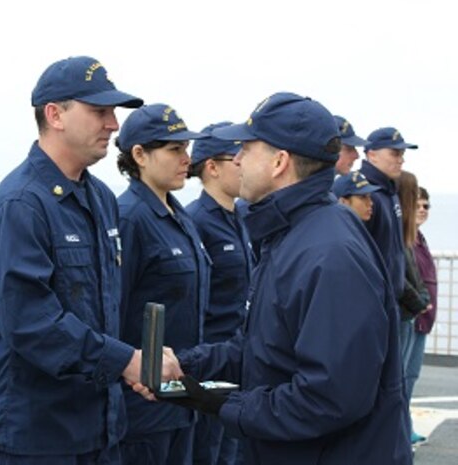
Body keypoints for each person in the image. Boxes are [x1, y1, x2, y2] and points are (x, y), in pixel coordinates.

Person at [135, 92, 412, 464]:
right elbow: (264, 350)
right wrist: (187, 368)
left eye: (247, 149)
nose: (237, 159)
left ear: (279, 161)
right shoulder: (293, 233)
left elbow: (329, 398)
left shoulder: (329, 254)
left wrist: (223, 404)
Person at [0, 56, 181, 465]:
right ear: (55, 115)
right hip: (36, 436)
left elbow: (102, 308)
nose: (113, 124)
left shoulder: (101, 199)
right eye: (99, 111)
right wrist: (126, 361)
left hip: (99, 428)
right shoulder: (20, 204)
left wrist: (140, 360)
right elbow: (30, 322)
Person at [114, 103, 209, 465]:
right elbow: (115, 310)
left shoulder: (178, 216)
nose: (187, 158)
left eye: (185, 148)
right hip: (143, 407)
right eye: (174, 149)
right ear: (139, 155)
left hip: (180, 399)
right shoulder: (130, 218)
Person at [185, 121, 252, 465]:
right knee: (207, 453)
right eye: (236, 157)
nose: (245, 163)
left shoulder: (240, 216)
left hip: (238, 358)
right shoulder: (194, 221)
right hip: (210, 361)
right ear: (211, 167)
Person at [360, 127, 418, 301]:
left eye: (402, 154)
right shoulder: (363, 193)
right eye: (395, 154)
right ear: (372, 155)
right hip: (372, 298)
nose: (401, 160)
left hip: (391, 297)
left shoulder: (390, 192)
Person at [405, 186, 438, 444]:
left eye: (426, 206)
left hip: (423, 319)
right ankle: (400, 431)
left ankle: (405, 426)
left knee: (411, 376)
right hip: (412, 315)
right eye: (418, 205)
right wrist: (419, 303)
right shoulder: (406, 240)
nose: (423, 210)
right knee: (402, 378)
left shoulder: (420, 238)